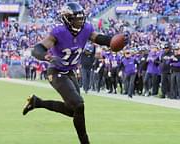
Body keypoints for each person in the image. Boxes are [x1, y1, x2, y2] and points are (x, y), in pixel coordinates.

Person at [22, 2, 129, 144]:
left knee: (73, 111)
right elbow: (38, 49)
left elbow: (99, 38)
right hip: (56, 71)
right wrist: (47, 56)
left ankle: (37, 102)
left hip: (70, 72)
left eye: (81, 18)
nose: (80, 21)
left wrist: (112, 41)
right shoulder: (58, 32)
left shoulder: (86, 29)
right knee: (79, 104)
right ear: (67, 19)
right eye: (76, 19)